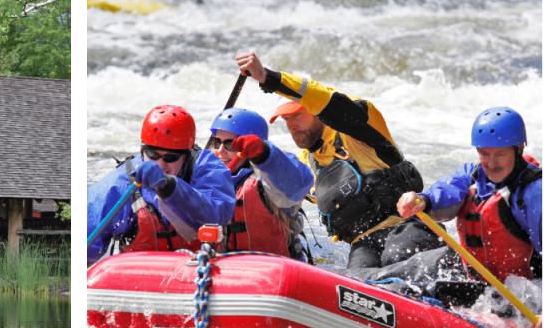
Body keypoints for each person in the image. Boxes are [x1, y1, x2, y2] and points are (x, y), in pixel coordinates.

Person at [235, 50, 441, 269]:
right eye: (286, 119)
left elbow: (329, 101)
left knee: (395, 258)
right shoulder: (307, 164)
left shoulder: (359, 128)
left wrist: (268, 77)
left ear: (316, 111)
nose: (291, 124)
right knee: (356, 281)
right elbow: (277, 180)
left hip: (407, 228)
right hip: (363, 244)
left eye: (297, 115)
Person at [397, 107, 541, 284]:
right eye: (484, 153)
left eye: (500, 154)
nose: (491, 163)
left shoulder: (535, 194)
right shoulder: (473, 176)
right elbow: (447, 190)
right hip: (472, 276)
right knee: (399, 271)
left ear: (518, 149)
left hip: (523, 293)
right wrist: (423, 201)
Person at [87, 105, 235, 265]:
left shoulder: (207, 168)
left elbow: (216, 216)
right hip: (140, 274)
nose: (160, 165)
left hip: (200, 268)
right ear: (142, 150)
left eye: (170, 158)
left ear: (186, 155)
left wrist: (169, 187)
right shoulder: (120, 183)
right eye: (152, 154)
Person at [209, 107, 313, 260]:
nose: (220, 151)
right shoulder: (204, 177)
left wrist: (264, 155)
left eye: (230, 144)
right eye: (217, 142)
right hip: (224, 269)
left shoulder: (269, 182)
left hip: (274, 270)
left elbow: (299, 184)